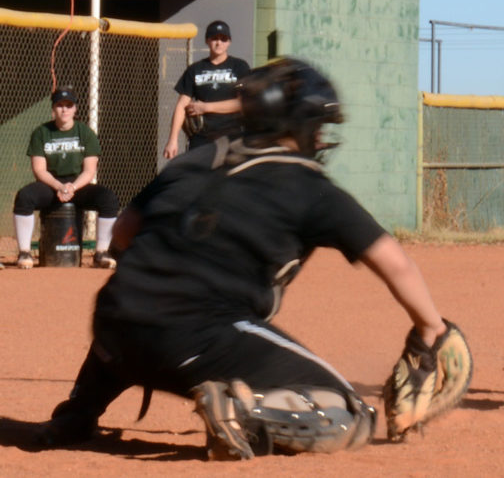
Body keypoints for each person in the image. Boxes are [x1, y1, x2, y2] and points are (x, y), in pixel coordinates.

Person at [35, 58, 452, 459]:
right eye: (318, 126)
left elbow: (123, 231)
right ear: (299, 125)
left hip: (113, 325)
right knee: (351, 414)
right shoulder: (310, 185)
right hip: (198, 341)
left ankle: (78, 412)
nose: (321, 138)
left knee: (133, 298)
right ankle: (245, 412)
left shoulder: (197, 158)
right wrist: (431, 326)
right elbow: (396, 263)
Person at [12, 87, 119, 270]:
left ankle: (101, 253)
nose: (64, 110)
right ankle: (24, 253)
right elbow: (39, 169)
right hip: (50, 184)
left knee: (108, 198)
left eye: (69, 105)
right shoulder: (41, 132)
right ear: (53, 108)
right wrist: (58, 186)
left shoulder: (85, 132)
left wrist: (72, 187)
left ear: (75, 109)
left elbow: (89, 171)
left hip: (77, 184)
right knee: (24, 197)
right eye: (60, 105)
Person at [163, 20, 251, 159]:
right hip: (201, 136)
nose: (219, 43)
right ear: (207, 41)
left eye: (223, 39)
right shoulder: (195, 69)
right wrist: (172, 140)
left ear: (229, 42)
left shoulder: (239, 67)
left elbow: (242, 103)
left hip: (230, 135)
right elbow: (181, 105)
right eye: (214, 38)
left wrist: (206, 107)